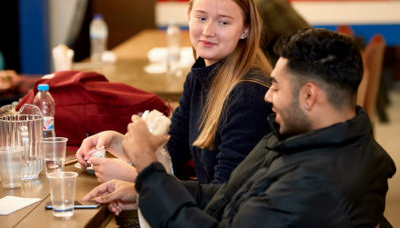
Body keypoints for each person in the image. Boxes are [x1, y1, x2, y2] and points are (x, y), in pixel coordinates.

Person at [83, 28, 396, 227]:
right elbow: (229, 194)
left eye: (275, 86)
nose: (267, 95)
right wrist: (143, 191)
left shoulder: (311, 186)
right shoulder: (303, 138)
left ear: (309, 95)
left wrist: (148, 168)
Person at [76, 0, 273, 184]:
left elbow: (225, 196)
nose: (208, 31)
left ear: (245, 29)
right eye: (201, 18)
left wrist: (136, 178)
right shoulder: (199, 77)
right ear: (188, 15)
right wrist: (119, 143)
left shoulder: (249, 94)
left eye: (223, 22)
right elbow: (173, 153)